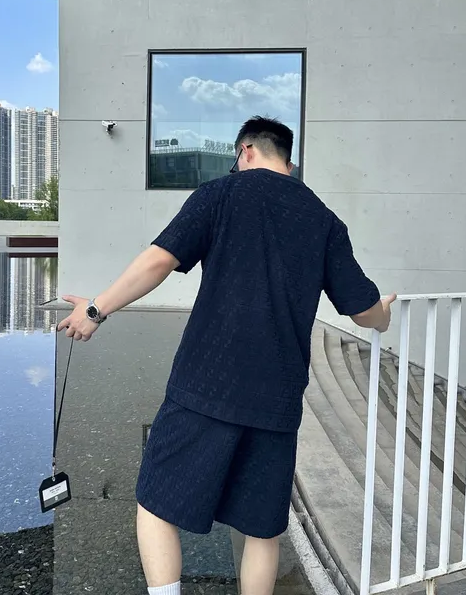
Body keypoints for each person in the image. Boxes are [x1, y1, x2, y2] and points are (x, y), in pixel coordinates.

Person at [58, 116, 396, 595]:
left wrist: (95, 310)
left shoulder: (220, 194)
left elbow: (159, 260)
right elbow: (364, 310)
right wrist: (384, 315)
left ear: (245, 152)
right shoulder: (323, 220)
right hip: (277, 398)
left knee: (156, 502)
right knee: (261, 528)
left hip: (206, 382)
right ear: (289, 162)